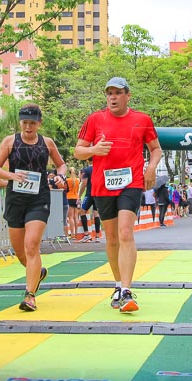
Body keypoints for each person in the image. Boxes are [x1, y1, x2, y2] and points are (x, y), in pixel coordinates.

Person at [74, 77, 162, 313]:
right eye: (109, 93)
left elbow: (156, 149)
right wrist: (93, 150)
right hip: (102, 185)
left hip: (130, 182)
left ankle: (126, 289)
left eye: (117, 92)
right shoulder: (95, 119)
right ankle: (116, 284)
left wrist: (151, 168)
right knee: (111, 238)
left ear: (127, 95)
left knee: (125, 232)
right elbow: (78, 151)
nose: (112, 97)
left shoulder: (142, 120)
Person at [0, 104, 68, 312]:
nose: (28, 127)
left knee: (32, 245)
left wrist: (61, 176)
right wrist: (11, 176)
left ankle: (30, 295)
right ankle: (37, 272)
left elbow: (61, 164)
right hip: (16, 198)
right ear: (20, 123)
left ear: (39, 123)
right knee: (21, 252)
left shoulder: (47, 143)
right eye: (25, 123)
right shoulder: (10, 141)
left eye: (32, 123)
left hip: (38, 198)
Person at [66, 168, 80, 237]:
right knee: (76, 217)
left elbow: (66, 189)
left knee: (70, 217)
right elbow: (77, 189)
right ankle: (77, 233)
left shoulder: (68, 180)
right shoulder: (78, 180)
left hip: (69, 197)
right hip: (76, 197)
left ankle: (72, 233)